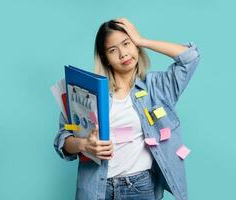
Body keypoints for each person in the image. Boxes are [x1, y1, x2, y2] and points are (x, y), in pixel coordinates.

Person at [54, 18, 200, 200]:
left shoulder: (157, 87)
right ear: (105, 58)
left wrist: (142, 40)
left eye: (127, 43)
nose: (123, 53)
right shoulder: (87, 92)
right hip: (97, 189)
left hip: (140, 187)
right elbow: (62, 140)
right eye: (112, 50)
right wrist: (84, 145)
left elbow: (190, 57)